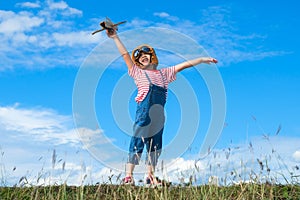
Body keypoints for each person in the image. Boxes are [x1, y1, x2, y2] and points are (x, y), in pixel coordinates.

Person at [106, 28, 217, 186]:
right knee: (138, 140)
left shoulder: (164, 73)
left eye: (146, 55)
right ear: (138, 63)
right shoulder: (136, 72)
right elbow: (125, 55)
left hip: (159, 114)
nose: (143, 57)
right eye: (140, 58)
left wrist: (201, 59)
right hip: (143, 111)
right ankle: (128, 176)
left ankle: (150, 176)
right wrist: (115, 37)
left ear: (152, 57)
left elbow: (184, 65)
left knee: (155, 145)